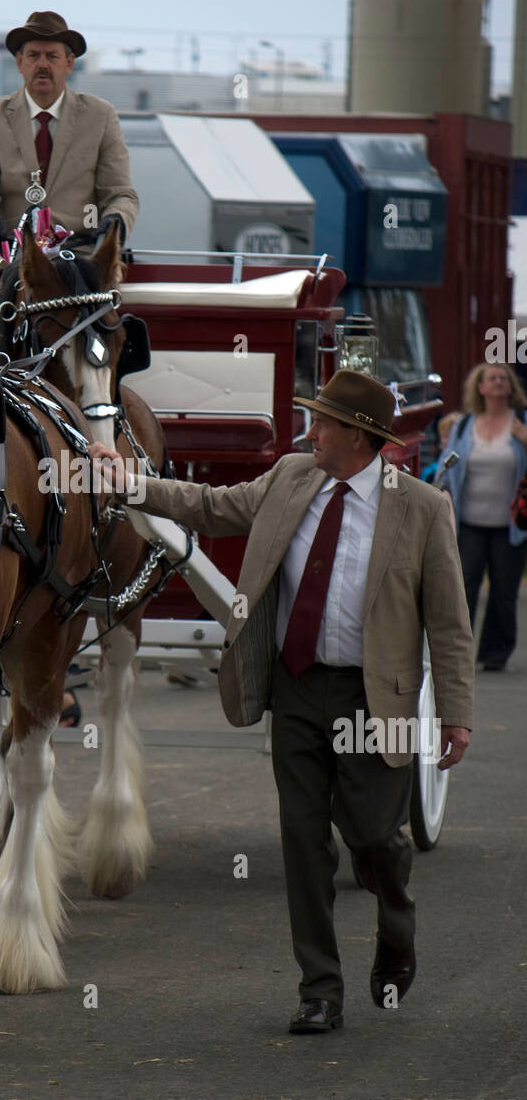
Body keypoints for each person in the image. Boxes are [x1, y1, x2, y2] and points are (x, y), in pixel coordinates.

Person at [89, 370, 474, 1034]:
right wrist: (131, 484)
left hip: (370, 699)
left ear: (358, 435)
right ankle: (320, 989)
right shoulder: (291, 477)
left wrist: (458, 715)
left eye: (322, 422)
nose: (309, 430)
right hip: (297, 687)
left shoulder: (420, 508)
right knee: (302, 836)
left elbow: (449, 621)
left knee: (375, 838)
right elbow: (211, 506)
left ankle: (397, 925)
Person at [0, 10, 139, 292]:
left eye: (51, 56)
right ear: (19, 62)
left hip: (78, 253)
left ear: (69, 63)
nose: (42, 64)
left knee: (108, 314)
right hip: (6, 252)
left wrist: (115, 222)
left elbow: (121, 194)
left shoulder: (101, 116)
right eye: (33, 55)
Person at [435, 362, 527, 671]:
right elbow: (445, 467)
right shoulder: (463, 426)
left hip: (511, 526)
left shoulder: (522, 423)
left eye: (504, 378)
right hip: (469, 524)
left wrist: (525, 439)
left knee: (504, 592)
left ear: (511, 387)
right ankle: (458, 651)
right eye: (492, 378)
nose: (499, 382)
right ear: (480, 387)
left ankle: (495, 653)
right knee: (464, 588)